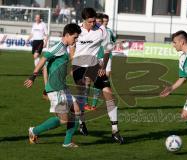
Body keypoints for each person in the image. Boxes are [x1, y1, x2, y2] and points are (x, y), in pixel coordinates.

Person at [70, 8, 124, 144]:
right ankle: (82, 124)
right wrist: (73, 64)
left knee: (108, 93)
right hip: (78, 65)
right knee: (82, 96)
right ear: (84, 20)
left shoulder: (101, 29)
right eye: (90, 21)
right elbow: (71, 46)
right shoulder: (76, 29)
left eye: (94, 20)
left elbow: (107, 49)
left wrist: (103, 67)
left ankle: (115, 130)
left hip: (94, 64)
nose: (93, 23)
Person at [24, 23, 82, 148]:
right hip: (56, 89)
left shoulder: (65, 48)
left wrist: (72, 49)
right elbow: (43, 59)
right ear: (67, 35)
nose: (76, 40)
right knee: (64, 119)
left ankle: (67, 142)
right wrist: (33, 76)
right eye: (75, 37)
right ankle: (34, 131)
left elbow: (47, 67)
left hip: (62, 87)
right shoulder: (58, 47)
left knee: (77, 110)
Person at [27, 14, 48, 98]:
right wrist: (28, 38)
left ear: (40, 18)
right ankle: (41, 68)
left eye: (38, 17)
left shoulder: (43, 25)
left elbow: (46, 34)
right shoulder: (34, 25)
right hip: (34, 42)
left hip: (40, 42)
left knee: (36, 56)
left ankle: (38, 69)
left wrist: (45, 42)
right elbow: (32, 33)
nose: (37, 18)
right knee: (35, 57)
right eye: (36, 17)